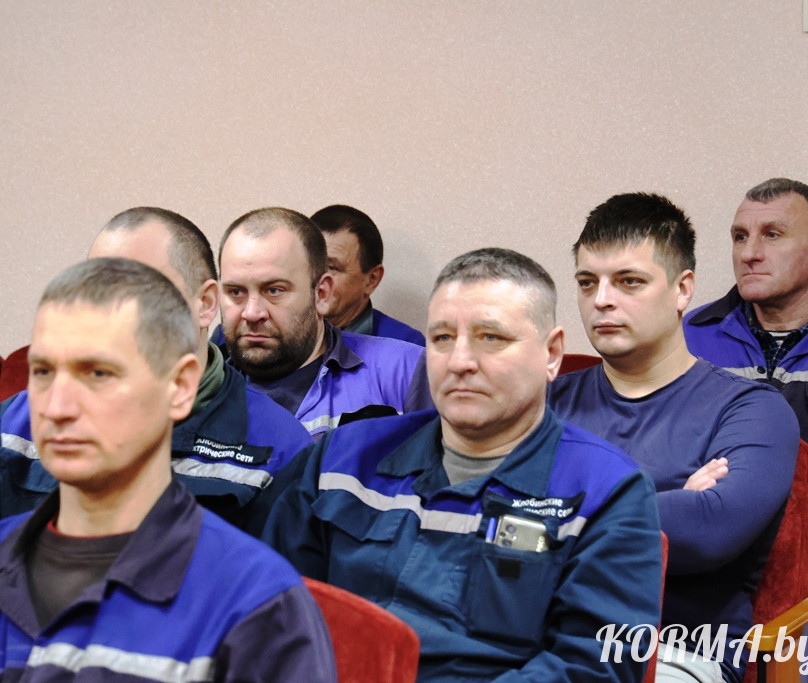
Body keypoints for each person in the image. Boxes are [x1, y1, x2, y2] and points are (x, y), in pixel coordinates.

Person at [0, 258, 336, 682]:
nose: (58, 406)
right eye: (44, 372)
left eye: (98, 373)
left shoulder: (255, 604)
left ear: (179, 387)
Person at [260, 247, 663, 680]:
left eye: (491, 338)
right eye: (442, 338)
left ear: (551, 354)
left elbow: (593, 667)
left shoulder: (607, 490)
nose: (460, 362)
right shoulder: (343, 458)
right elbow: (270, 604)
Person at [0, 208, 312, 544]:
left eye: (141, 292)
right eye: (97, 291)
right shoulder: (23, 421)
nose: (111, 313)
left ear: (205, 303)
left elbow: (277, 598)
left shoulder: (279, 446)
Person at [549, 192, 799, 683]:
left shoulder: (751, 409)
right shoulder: (547, 402)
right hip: (541, 634)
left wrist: (549, 510)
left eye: (629, 281)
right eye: (587, 282)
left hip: (675, 652)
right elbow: (479, 512)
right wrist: (664, 502)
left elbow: (708, 533)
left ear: (682, 289)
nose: (601, 300)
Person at [683, 178, 808, 593]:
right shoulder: (688, 337)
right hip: (708, 572)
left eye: (772, 235)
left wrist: (797, 546)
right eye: (740, 237)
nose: (749, 254)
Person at [217, 207, 432, 438]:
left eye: (274, 290)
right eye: (235, 292)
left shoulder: (404, 371)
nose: (251, 313)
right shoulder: (199, 393)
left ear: (321, 294)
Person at [310, 204, 425, 345]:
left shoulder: (404, 346)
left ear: (372, 280)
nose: (315, 278)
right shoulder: (286, 333)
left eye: (331, 268)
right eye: (308, 263)